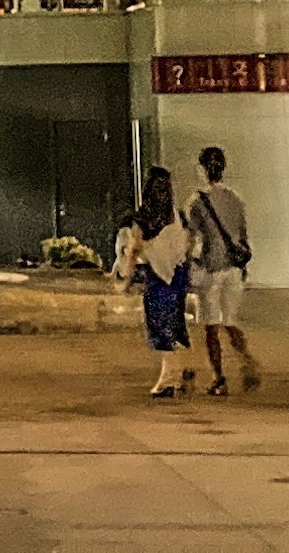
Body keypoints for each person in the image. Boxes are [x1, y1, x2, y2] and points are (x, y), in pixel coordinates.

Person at [110, 164, 197, 400]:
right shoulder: (176, 216)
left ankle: (169, 378)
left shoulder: (143, 219)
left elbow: (135, 248)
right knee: (175, 323)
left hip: (158, 277)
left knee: (159, 325)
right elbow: (188, 243)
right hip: (177, 275)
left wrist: (125, 273)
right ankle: (180, 369)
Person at [183, 146, 260, 395]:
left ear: (203, 169)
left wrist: (185, 267)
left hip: (211, 269)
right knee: (230, 321)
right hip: (233, 269)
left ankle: (219, 378)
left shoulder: (197, 201)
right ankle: (247, 358)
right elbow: (243, 235)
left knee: (211, 327)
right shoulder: (236, 199)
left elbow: (191, 239)